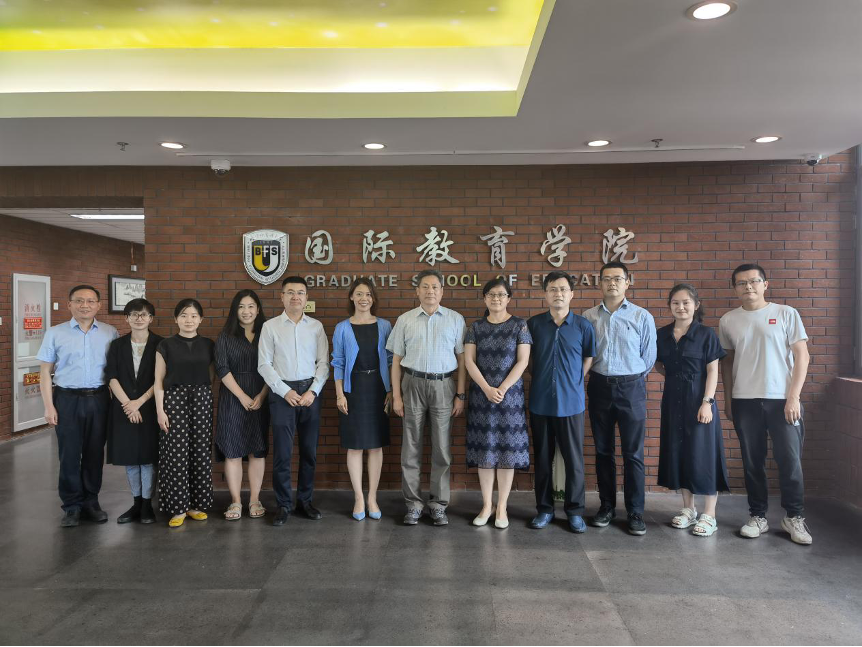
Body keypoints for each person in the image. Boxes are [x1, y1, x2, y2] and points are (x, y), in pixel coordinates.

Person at [719, 263, 812, 545]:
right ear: (734, 288)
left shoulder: (785, 313)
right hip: (745, 401)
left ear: (765, 284)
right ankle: (757, 516)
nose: (748, 286)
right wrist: (728, 398)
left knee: (790, 461)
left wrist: (793, 397)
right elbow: (727, 363)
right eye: (741, 283)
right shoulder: (728, 320)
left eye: (754, 281)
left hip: (782, 400)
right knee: (753, 462)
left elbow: (802, 355)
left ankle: (794, 517)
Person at [387, 269, 467, 526]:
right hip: (412, 384)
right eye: (425, 286)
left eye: (435, 287)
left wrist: (460, 394)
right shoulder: (405, 320)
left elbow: (462, 361)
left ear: (442, 291)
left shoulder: (455, 319)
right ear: (417, 291)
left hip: (444, 386)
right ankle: (412, 504)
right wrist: (396, 396)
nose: (430, 291)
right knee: (411, 446)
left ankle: (438, 505)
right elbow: (396, 361)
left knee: (442, 448)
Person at [584, 261, 657, 535]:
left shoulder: (641, 316)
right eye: (606, 279)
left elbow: (648, 358)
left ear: (628, 282)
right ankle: (606, 506)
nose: (612, 283)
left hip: (631, 388)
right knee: (603, 451)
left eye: (617, 278)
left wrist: (628, 377)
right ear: (600, 283)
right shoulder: (589, 317)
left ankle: (635, 511)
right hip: (599, 386)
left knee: (633, 453)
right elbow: (585, 354)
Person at [38, 285, 118, 527]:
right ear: (69, 304)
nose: (85, 305)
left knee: (95, 453)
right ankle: (71, 506)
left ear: (99, 305)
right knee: (69, 455)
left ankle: (91, 502)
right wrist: (49, 407)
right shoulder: (55, 333)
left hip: (99, 399)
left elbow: (115, 371)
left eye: (91, 301)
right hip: (67, 399)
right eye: (79, 300)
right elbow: (45, 372)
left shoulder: (110, 332)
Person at [655, 284, 729, 537]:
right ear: (670, 306)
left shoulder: (706, 334)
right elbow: (659, 364)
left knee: (704, 454)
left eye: (686, 302)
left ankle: (710, 514)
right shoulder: (662, 334)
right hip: (673, 401)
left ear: (696, 305)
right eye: (675, 303)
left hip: (700, 401)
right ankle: (689, 509)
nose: (681, 307)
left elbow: (713, 370)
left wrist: (707, 401)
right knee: (679, 453)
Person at [527, 271, 596, 533]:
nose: (558, 294)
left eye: (563, 289)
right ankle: (544, 509)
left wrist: (576, 380)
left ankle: (575, 511)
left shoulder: (583, 326)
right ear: (545, 294)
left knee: (574, 460)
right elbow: (528, 359)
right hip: (540, 401)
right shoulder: (533, 325)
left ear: (572, 294)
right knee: (543, 458)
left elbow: (589, 357)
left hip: (572, 403)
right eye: (553, 289)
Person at [258, 276, 329, 526]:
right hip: (282, 394)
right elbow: (264, 364)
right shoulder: (270, 327)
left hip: (310, 393)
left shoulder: (316, 327)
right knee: (283, 453)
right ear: (282, 297)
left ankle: (305, 501)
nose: (295, 297)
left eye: (300, 292)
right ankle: (283, 504)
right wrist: (284, 391)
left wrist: (313, 391)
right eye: (290, 292)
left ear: (306, 297)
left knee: (309, 452)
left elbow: (323, 363)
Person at [465, 278, 532, 530]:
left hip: (509, 398)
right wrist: (486, 388)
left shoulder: (519, 326)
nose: (496, 299)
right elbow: (469, 361)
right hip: (481, 396)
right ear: (484, 298)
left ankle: (502, 506)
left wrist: (502, 389)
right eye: (491, 294)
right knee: (485, 450)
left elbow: (523, 361)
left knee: (506, 451)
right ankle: (486, 505)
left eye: (501, 295)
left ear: (508, 298)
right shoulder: (475, 327)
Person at [332, 278, 393, 521]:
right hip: (352, 390)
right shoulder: (342, 328)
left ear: (373, 298)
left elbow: (391, 361)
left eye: (368, 294)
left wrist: (391, 391)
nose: (363, 298)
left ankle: (372, 498)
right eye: (359, 294)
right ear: (351, 297)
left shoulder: (385, 326)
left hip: (379, 388)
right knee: (355, 445)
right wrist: (339, 394)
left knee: (376, 445)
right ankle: (358, 497)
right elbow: (338, 362)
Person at [154, 298, 215, 528]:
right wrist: (160, 411)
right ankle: (178, 507)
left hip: (201, 399)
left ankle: (196, 506)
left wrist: (201, 393)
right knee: (176, 453)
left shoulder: (209, 345)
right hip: (173, 399)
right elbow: (158, 380)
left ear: (201, 319)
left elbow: (211, 376)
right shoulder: (165, 345)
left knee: (200, 451)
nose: (189, 320)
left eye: (193, 316)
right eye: (184, 315)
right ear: (176, 318)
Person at [106, 298, 163, 524]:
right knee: (130, 457)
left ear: (151, 318)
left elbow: (161, 380)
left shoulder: (161, 344)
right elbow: (111, 377)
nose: (139, 318)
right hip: (124, 408)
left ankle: (147, 505)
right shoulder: (117, 345)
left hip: (150, 408)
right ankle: (136, 503)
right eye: (134, 314)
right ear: (127, 318)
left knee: (147, 458)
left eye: (144, 314)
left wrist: (138, 402)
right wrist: (128, 405)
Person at [215, 290, 269, 521]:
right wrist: (241, 396)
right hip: (232, 397)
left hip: (261, 394)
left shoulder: (267, 332)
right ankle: (236, 501)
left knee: (257, 449)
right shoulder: (226, 336)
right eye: (241, 307)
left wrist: (262, 395)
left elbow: (275, 367)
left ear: (258, 309)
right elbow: (222, 368)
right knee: (233, 449)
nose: (246, 311)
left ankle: (255, 499)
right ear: (234, 310)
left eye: (251, 306)